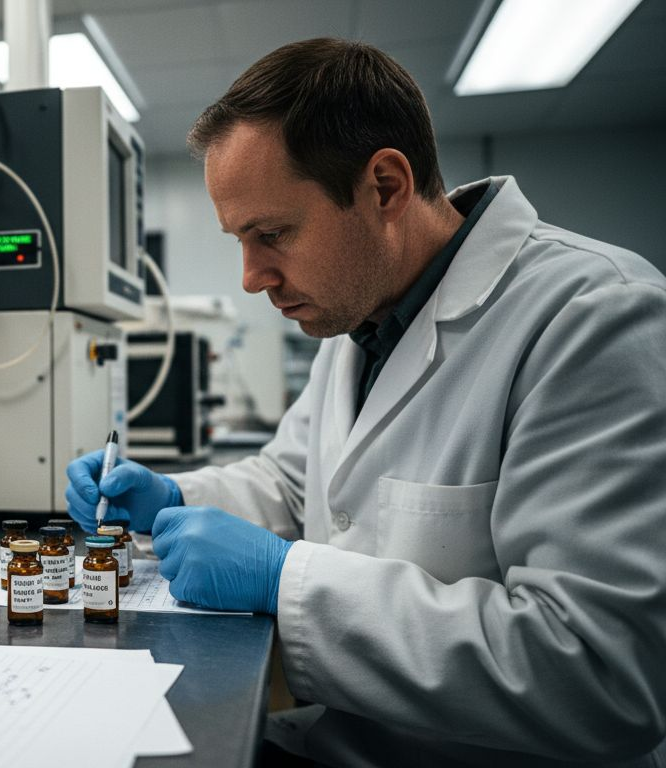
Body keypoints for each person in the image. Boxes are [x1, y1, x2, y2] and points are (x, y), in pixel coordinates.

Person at [66, 38, 666, 766]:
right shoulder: (362, 316)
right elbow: (296, 485)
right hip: (341, 739)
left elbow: (601, 671)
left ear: (384, 187)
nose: (251, 277)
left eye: (272, 234)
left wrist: (285, 579)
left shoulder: (594, 318)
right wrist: (172, 497)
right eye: (240, 241)